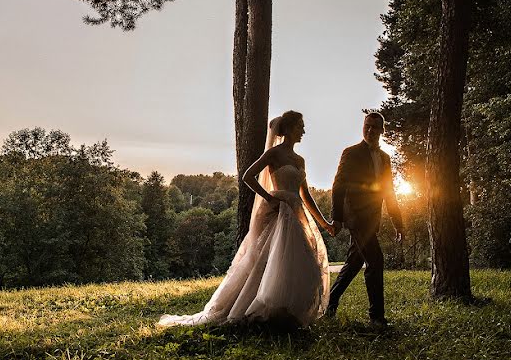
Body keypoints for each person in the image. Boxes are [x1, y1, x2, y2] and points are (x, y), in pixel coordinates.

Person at [159, 111, 331, 327]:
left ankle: (290, 312)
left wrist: (325, 223)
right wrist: (269, 198)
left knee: (302, 261)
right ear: (287, 129)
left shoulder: (300, 160)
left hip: (295, 212)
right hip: (277, 212)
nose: (303, 131)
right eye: (300, 126)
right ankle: (266, 309)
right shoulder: (274, 154)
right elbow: (248, 176)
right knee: (270, 259)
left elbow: (305, 195)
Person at [326, 112, 404, 327]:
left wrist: (399, 223)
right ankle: (376, 317)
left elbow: (389, 192)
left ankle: (330, 303)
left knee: (353, 263)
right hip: (356, 218)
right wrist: (338, 219)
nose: (370, 131)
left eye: (375, 128)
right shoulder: (351, 153)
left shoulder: (385, 158)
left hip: (373, 219)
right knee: (376, 261)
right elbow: (338, 186)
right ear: (363, 127)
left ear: (382, 131)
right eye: (367, 126)